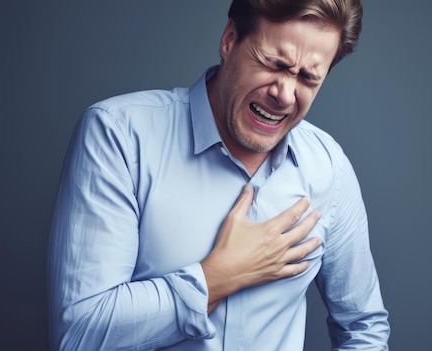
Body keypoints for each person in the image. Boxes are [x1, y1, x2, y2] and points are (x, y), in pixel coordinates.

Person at [47, 0, 390, 350]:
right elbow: (79, 336)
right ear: (229, 40)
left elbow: (364, 328)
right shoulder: (118, 137)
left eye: (307, 78)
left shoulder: (328, 168)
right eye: (274, 63)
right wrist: (217, 278)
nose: (284, 95)